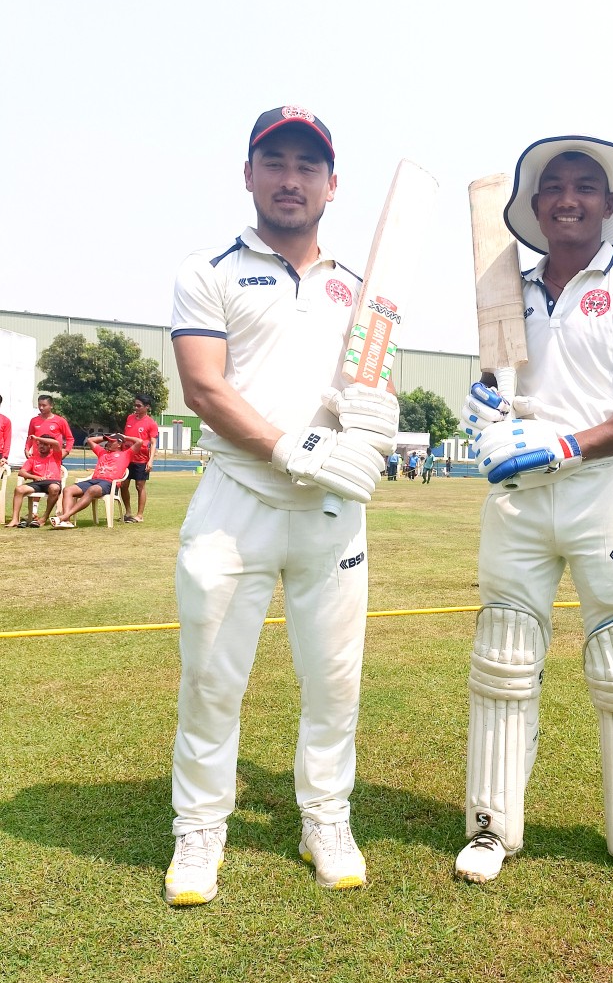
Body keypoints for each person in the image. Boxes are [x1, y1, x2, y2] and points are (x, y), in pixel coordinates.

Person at [165, 104, 398, 908]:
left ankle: (325, 819)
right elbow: (203, 385)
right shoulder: (211, 270)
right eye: (276, 162)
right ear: (250, 174)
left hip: (331, 513)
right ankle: (199, 830)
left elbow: (377, 385)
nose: (291, 178)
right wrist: (284, 446)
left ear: (333, 184)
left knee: (334, 682)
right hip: (237, 500)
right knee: (211, 680)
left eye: (307, 165)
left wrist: (372, 426)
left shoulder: (363, 291)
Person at [456, 135, 613, 893]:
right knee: (504, 654)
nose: (568, 198)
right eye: (554, 186)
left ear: (609, 206)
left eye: (585, 186)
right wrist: (483, 410)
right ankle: (491, 828)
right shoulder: (505, 291)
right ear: (534, 204)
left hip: (605, 489)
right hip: (519, 497)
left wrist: (566, 444)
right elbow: (495, 385)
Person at [50, 433, 141, 527]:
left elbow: (139, 442)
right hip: (94, 480)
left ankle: (64, 517)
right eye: (108, 441)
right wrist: (104, 437)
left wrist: (124, 437)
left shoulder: (126, 454)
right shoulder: (102, 452)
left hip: (109, 483)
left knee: (92, 490)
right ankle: (66, 521)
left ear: (119, 444)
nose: (108, 443)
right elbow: (90, 440)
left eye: (111, 441)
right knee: (68, 490)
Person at [5, 434, 63, 527]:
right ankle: (15, 519)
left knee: (54, 488)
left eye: (44, 444)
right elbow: (22, 472)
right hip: (37, 483)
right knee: (19, 490)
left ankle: (44, 518)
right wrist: (34, 477)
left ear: (50, 446)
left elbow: (56, 443)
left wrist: (37, 438)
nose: (41, 446)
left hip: (52, 481)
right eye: (39, 444)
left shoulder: (55, 455)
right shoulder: (33, 458)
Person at [121, 394, 159, 522]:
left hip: (141, 459)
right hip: (127, 457)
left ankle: (140, 515)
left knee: (140, 486)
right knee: (123, 484)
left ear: (147, 407)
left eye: (139, 405)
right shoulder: (130, 418)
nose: (136, 408)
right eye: (135, 405)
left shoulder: (151, 423)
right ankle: (128, 512)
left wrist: (150, 460)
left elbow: (153, 443)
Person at [26, 396, 74, 462]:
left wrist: (66, 451)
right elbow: (30, 437)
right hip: (37, 457)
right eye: (39, 405)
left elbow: (70, 438)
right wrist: (27, 449)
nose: (41, 407)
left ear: (51, 406)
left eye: (44, 405)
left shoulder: (60, 421)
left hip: (54, 458)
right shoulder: (34, 420)